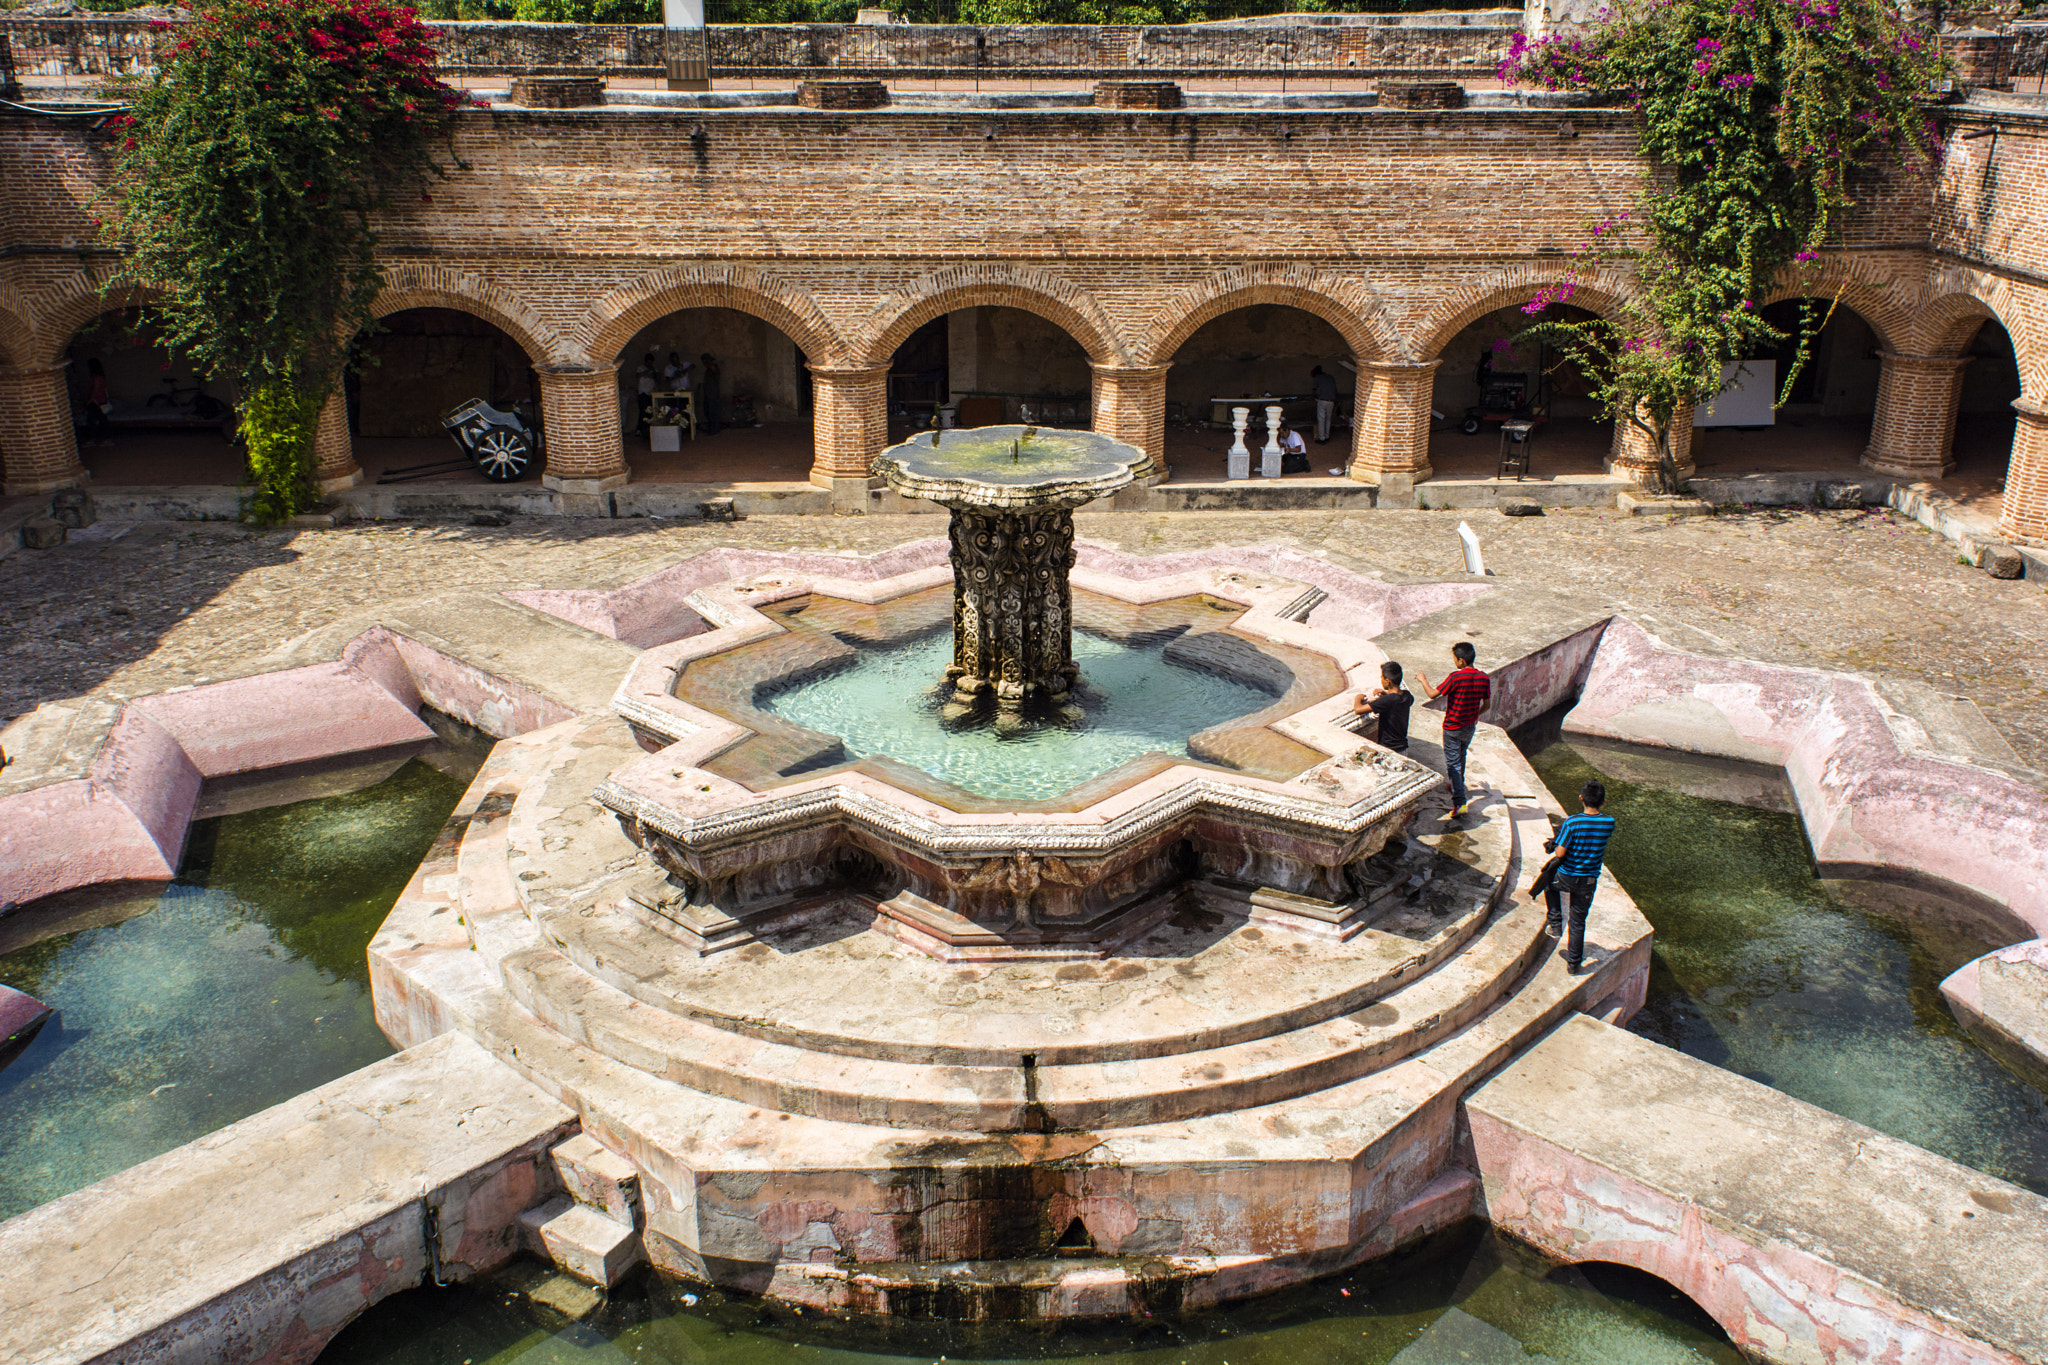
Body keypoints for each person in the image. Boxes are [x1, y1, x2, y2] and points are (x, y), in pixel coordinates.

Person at [1534, 780, 1616, 974]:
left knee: (1548, 884)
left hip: (1567, 876)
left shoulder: (1572, 822)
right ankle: (1573, 964)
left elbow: (1560, 853)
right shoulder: (1609, 822)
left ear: (1581, 798)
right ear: (1603, 801)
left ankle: (1554, 924)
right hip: (1588, 880)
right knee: (1578, 921)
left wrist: (1555, 844)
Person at [1418, 642, 1491, 817]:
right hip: (1469, 726)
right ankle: (1455, 784)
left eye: (1455, 659)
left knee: (1453, 764)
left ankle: (1460, 803)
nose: (1454, 662)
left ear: (1461, 661)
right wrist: (1475, 715)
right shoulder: (1484, 678)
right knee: (1461, 755)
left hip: (1452, 727)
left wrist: (1423, 680)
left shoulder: (1456, 677)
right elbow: (1487, 705)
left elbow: (1433, 694)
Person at [1353, 660, 1412, 753]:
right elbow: (1395, 699)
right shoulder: (1407, 696)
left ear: (1387, 681)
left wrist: (1358, 698)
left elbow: (1358, 710)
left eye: (1381, 677)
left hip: (1388, 748)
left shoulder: (1387, 701)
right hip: (1402, 747)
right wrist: (1386, 693)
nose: (1381, 679)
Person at [82, 358, 112, 448]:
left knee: (93, 421)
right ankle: (106, 438)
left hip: (96, 402)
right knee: (102, 420)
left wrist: (90, 399)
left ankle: (94, 439)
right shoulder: (101, 377)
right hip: (100, 401)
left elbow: (95, 389)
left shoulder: (96, 378)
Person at [1311, 364, 1338, 444]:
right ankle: (1327, 436)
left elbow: (1314, 390)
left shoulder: (1317, 378)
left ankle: (1322, 439)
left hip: (1322, 400)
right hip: (1331, 401)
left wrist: (1314, 397)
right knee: (1328, 419)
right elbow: (1335, 390)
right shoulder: (1330, 377)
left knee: (1321, 419)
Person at [697, 352, 722, 436]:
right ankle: (712, 429)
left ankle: (714, 430)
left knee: (713, 413)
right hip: (708, 394)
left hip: (713, 395)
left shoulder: (713, 367)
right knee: (708, 412)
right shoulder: (707, 370)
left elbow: (713, 369)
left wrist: (709, 363)